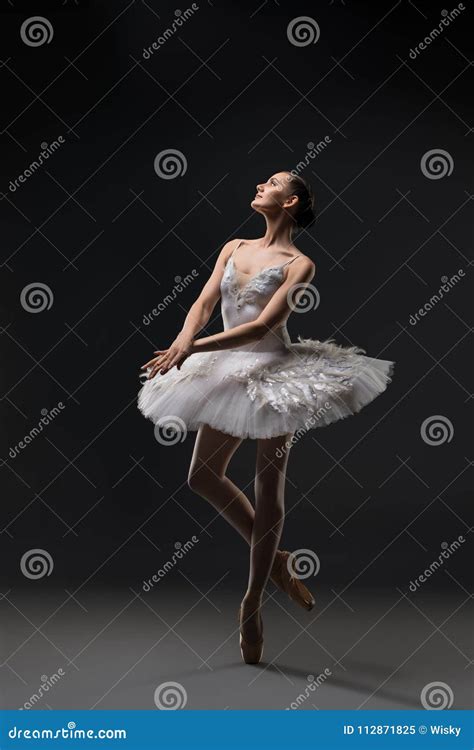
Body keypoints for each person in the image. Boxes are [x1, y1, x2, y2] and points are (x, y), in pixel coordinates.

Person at [138, 171, 395, 665]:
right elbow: (205, 301)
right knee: (201, 476)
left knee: (268, 487)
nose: (260, 184)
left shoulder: (301, 264)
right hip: (225, 369)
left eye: (272, 182)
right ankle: (278, 563)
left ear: (290, 200)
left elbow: (261, 325)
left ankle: (252, 604)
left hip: (276, 375)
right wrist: (184, 339)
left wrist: (188, 348)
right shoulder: (234, 245)